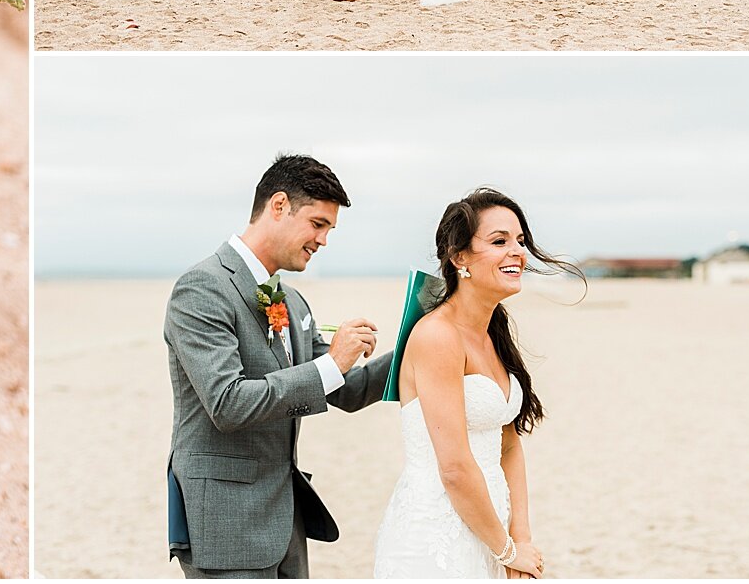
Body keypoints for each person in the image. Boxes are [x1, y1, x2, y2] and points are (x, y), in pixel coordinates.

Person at [165, 154, 393, 578]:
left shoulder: (292, 301)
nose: (323, 240)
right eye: (318, 224)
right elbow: (227, 404)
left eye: (329, 229)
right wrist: (333, 362)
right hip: (225, 524)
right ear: (279, 206)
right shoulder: (201, 289)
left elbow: (348, 389)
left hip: (286, 521)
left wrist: (422, 343)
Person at [374, 188, 582, 578]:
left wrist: (521, 538)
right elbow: (453, 467)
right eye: (499, 241)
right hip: (436, 535)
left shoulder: (493, 332)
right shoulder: (438, 336)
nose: (517, 251)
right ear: (459, 258)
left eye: (520, 241)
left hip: (489, 531)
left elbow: (509, 444)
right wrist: (506, 550)